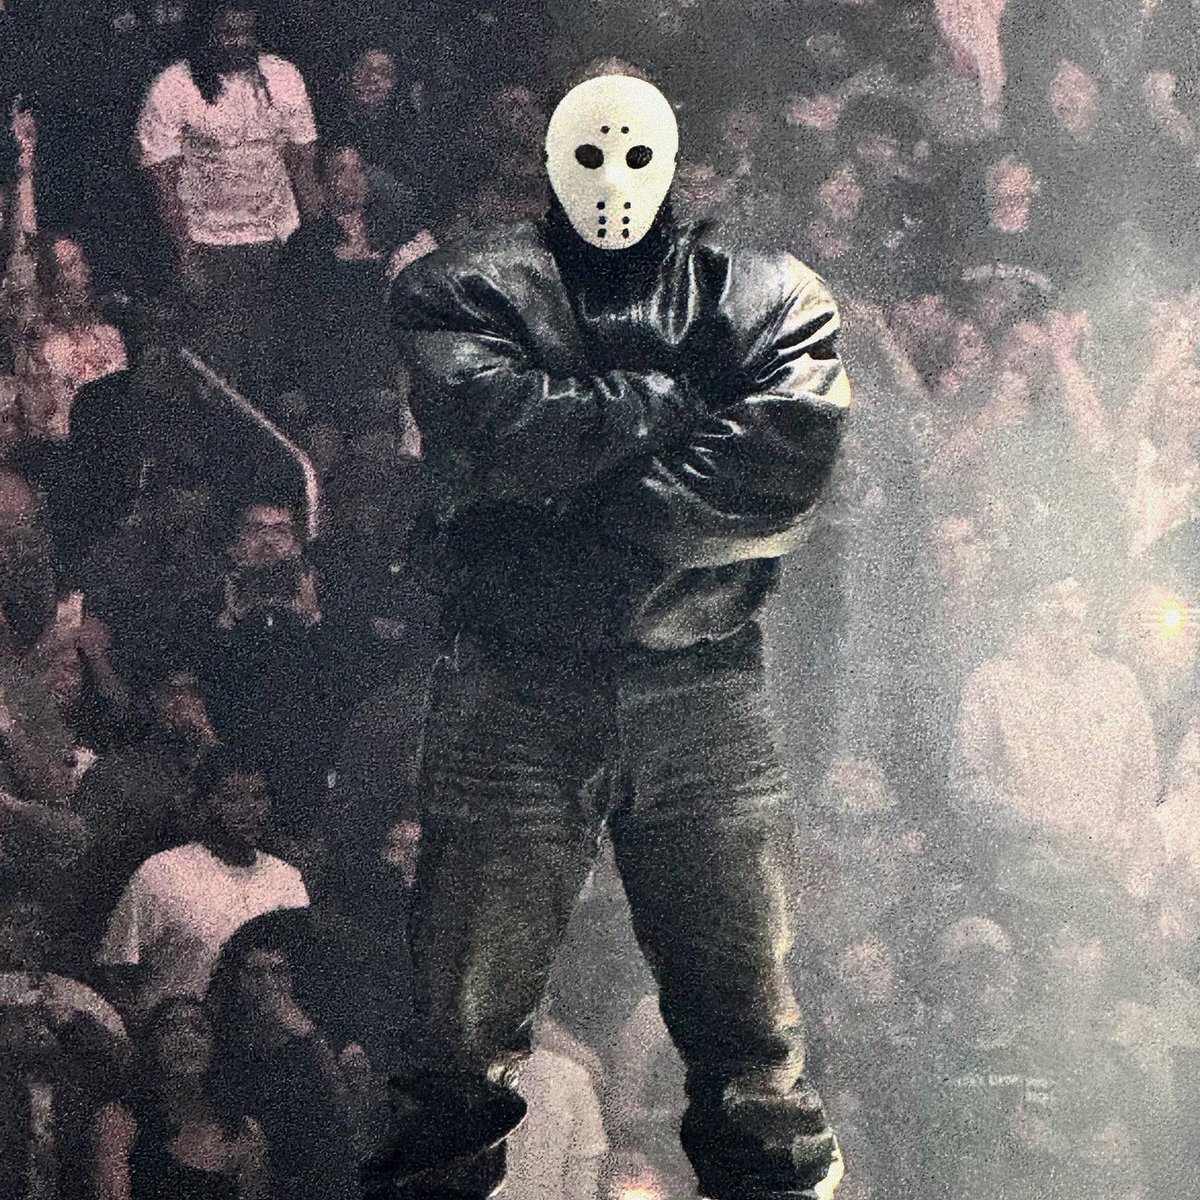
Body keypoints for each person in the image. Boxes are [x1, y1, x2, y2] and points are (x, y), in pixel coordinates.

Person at [367, 64, 849, 1200]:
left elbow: (781, 465)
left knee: (752, 1044)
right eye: (592, 152)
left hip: (697, 690)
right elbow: (499, 428)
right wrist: (678, 407)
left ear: (673, 160)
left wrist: (574, 504)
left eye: (635, 154)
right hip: (521, 689)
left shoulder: (771, 294)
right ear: (548, 157)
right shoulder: (461, 288)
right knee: (456, 1051)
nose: (614, 180)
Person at [136, 0, 321, 394]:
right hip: (211, 244)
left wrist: (315, 238)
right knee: (216, 367)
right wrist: (187, 255)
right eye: (228, 34)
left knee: (272, 359)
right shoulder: (173, 86)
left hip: (277, 236)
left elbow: (302, 162)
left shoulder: (284, 77)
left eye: (246, 33)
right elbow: (162, 181)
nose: (238, 42)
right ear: (207, 33)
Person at [96, 748, 309, 1020]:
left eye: (258, 796)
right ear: (205, 804)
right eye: (232, 798)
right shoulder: (162, 872)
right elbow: (117, 967)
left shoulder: (287, 879)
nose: (249, 810)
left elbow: (299, 971)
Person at [93, 998, 269, 1200]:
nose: (186, 1039)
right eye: (171, 1028)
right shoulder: (121, 1118)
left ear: (215, 1046)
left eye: (199, 1029)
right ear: (153, 1044)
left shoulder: (243, 1131)